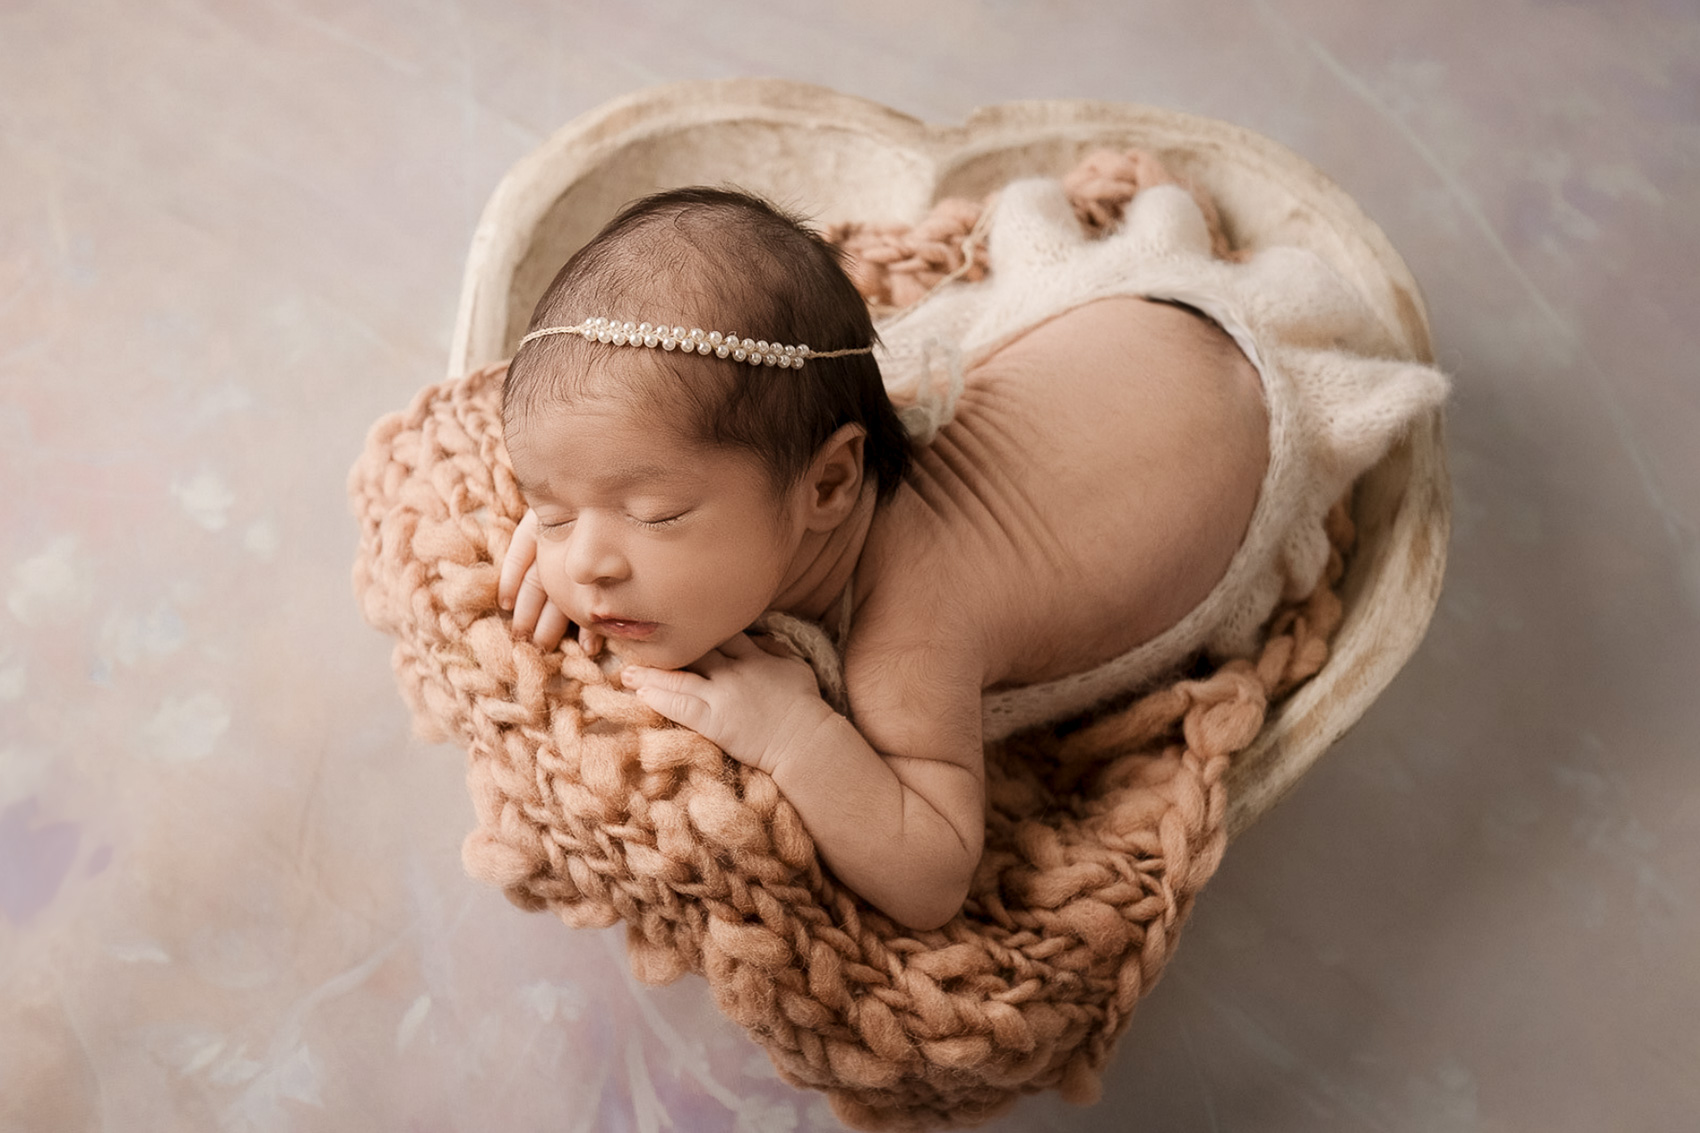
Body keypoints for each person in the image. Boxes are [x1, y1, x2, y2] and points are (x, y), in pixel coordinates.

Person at [496, 181, 1447, 930]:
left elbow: (933, 869)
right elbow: (600, 494)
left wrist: (791, 734)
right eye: (549, 508)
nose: (587, 565)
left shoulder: (907, 636)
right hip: (1116, 353)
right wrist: (570, 528)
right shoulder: (700, 504)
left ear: (830, 486)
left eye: (655, 514)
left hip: (1237, 420)